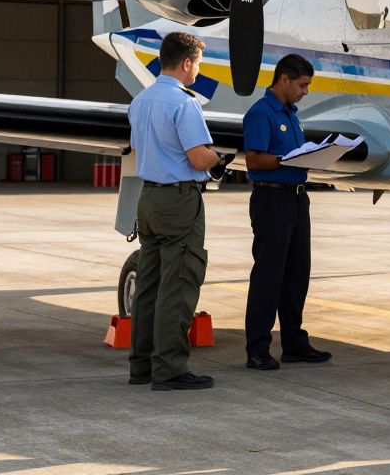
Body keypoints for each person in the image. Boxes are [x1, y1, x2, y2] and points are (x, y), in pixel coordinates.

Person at [127, 31, 229, 391]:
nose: (198, 72)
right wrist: (220, 162)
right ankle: (169, 369)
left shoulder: (139, 101)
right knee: (179, 285)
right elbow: (199, 156)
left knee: (149, 286)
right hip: (179, 200)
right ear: (186, 63)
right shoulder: (184, 103)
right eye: (198, 64)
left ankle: (141, 365)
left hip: (149, 198)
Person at [241, 53, 332, 370]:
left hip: (296, 199)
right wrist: (285, 161)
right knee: (269, 275)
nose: (305, 92)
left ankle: (294, 342)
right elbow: (253, 160)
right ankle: (258, 348)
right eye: (302, 85)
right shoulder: (261, 113)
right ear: (284, 80)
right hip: (272, 200)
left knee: (297, 273)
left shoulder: (291, 114)